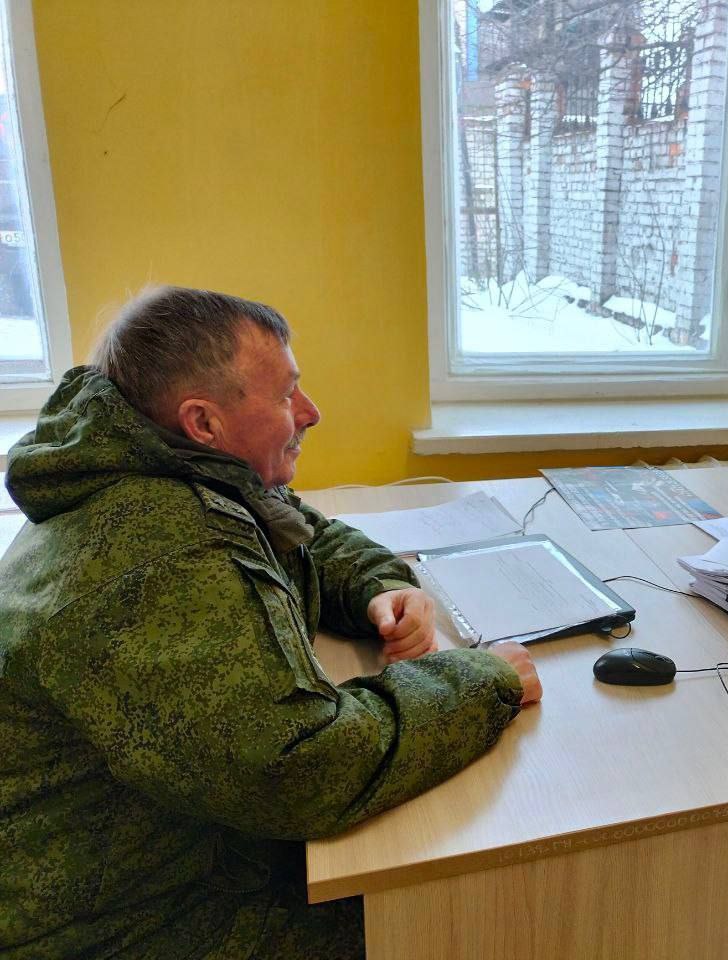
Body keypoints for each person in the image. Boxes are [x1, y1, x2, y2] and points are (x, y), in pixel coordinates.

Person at [0, 286, 543, 959]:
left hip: (179, 853)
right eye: (287, 394)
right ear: (203, 422)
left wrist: (382, 589)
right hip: (118, 925)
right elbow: (301, 769)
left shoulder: (172, 470)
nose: (311, 412)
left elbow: (307, 533)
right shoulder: (160, 558)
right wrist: (482, 681)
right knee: (459, 915)